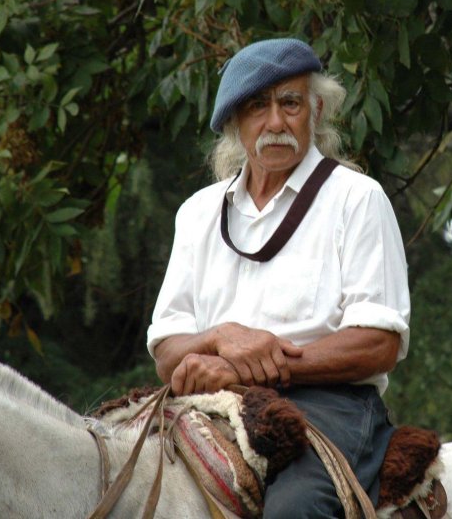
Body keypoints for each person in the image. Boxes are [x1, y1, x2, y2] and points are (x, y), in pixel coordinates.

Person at [147, 38, 411, 518]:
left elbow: (379, 344)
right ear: (234, 122)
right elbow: (167, 350)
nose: (274, 122)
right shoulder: (198, 213)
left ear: (316, 109)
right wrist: (222, 338)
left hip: (332, 406)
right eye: (256, 106)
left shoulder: (357, 199)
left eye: (289, 103)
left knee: (295, 510)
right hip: (212, 404)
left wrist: (250, 366)